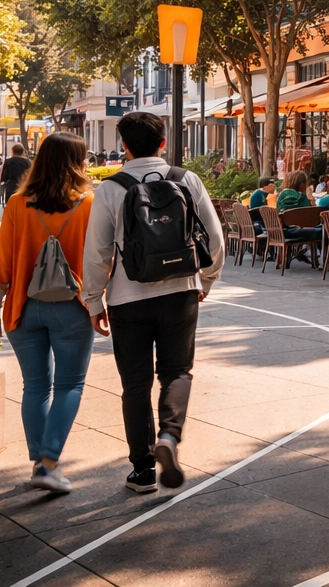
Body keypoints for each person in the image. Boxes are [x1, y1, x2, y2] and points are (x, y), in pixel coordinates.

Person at [82, 111, 224, 494]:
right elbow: (215, 239)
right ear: (164, 142)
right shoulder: (187, 180)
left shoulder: (111, 188)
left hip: (128, 299)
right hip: (181, 292)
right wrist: (204, 280)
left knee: (135, 383)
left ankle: (142, 470)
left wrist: (93, 301)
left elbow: (96, 252)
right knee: (177, 371)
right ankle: (170, 438)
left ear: (124, 146)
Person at [0, 132, 95, 495]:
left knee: (34, 387)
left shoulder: (18, 203)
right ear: (77, 162)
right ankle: (48, 463)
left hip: (23, 307)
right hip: (71, 307)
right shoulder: (88, 204)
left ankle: (40, 464)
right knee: (69, 385)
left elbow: (1, 262)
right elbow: (100, 261)